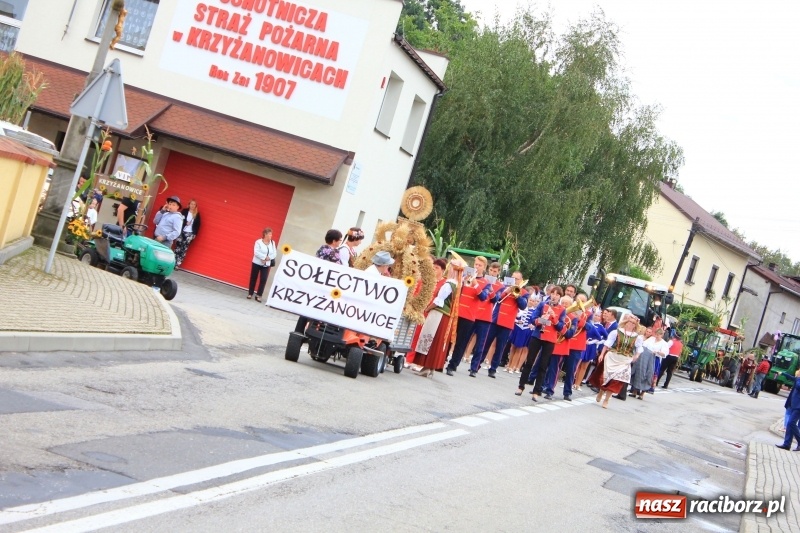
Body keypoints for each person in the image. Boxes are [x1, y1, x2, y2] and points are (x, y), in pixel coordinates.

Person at [414, 259, 463, 377]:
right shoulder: (458, 284)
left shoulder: (449, 284)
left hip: (438, 314)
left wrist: (427, 308)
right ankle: (430, 368)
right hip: (445, 316)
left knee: (431, 338)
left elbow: (439, 301)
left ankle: (426, 366)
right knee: (437, 341)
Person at [445, 256, 491, 376]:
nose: (477, 267)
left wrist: (475, 284)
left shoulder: (486, 283)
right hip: (457, 311)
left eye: (479, 265)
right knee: (449, 337)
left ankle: (452, 365)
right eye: (476, 264)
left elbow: (483, 297)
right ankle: (442, 360)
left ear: (484, 267)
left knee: (461, 342)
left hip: (469, 315)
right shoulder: (464, 276)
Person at [294, 229, 343, 334]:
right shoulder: (334, 252)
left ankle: (299, 329)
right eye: (339, 240)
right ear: (334, 241)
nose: (340, 242)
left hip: (316, 282)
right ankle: (314, 331)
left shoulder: (321, 249)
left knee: (309, 305)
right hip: (326, 284)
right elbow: (339, 268)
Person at [589, 314, 643, 409]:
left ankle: (606, 400)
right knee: (606, 378)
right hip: (612, 357)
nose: (630, 324)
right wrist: (602, 354)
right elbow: (607, 344)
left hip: (625, 360)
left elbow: (639, 349)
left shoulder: (637, 337)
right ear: (625, 323)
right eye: (629, 322)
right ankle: (601, 391)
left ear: (635, 325)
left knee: (616, 380)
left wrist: (636, 356)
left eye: (633, 323)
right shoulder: (616, 332)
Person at [507, 291, 539, 373]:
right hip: (517, 328)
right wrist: (517, 321)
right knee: (513, 347)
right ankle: (509, 365)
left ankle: (513, 366)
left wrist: (532, 325)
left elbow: (534, 321)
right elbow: (515, 316)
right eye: (530, 300)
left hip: (525, 330)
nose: (531, 302)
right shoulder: (521, 308)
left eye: (533, 301)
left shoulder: (535, 311)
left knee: (519, 349)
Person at [247, 228, 276, 302]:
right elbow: (256, 252)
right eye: (269, 234)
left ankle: (259, 295)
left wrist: (267, 258)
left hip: (266, 264)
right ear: (265, 234)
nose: (271, 235)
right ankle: (250, 293)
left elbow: (274, 253)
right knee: (253, 278)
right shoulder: (258, 242)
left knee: (263, 279)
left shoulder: (272, 243)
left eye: (271, 234)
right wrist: (263, 257)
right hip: (256, 263)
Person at [776, 369, 800, 451]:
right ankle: (787, 444)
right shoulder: (798, 379)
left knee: (791, 423)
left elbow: (798, 386)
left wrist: (798, 378)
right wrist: (782, 373)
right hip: (794, 405)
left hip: (798, 407)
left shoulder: (799, 380)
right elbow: (791, 377)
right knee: (790, 424)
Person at [630, 327, 656, 400]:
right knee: (637, 373)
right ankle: (634, 392)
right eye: (647, 331)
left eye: (649, 332)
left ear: (652, 333)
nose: (648, 333)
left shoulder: (652, 340)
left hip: (649, 358)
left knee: (648, 374)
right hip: (640, 357)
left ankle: (642, 394)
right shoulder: (640, 337)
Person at [175, 199, 201, 267]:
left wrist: (195, 234)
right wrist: (185, 222)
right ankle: (173, 262)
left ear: (196, 206)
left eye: (194, 204)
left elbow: (198, 225)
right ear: (189, 204)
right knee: (178, 246)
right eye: (191, 204)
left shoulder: (197, 214)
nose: (192, 206)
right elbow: (179, 219)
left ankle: (178, 264)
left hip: (190, 233)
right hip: (182, 231)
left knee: (184, 248)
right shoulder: (184, 211)